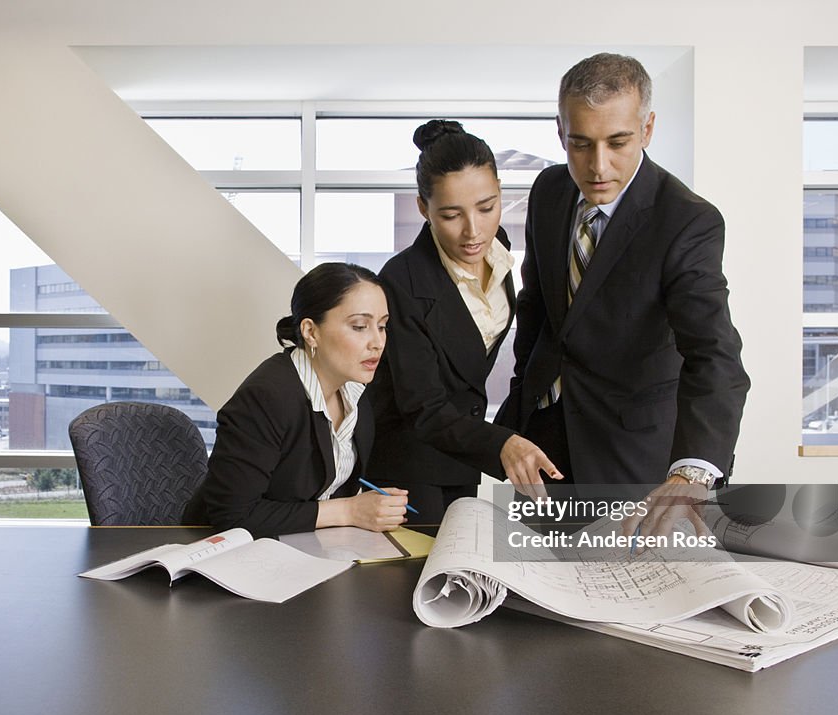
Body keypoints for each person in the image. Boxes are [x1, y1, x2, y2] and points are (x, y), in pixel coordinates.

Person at [495, 53, 750, 537]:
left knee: (621, 594)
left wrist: (691, 473)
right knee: (537, 589)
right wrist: (521, 396)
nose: (598, 167)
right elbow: (537, 306)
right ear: (560, 132)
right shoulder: (550, 190)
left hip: (632, 453)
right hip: (545, 439)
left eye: (618, 142)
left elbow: (714, 354)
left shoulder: (686, 221)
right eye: (580, 144)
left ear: (647, 128)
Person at [368, 120, 560, 528]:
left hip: (460, 458)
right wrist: (502, 442)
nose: (474, 232)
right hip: (407, 468)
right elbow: (423, 407)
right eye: (452, 215)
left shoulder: (500, 249)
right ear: (423, 208)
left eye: (487, 207)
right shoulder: (401, 282)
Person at [185, 262, 409, 538]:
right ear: (310, 331)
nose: (377, 342)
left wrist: (370, 507)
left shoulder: (356, 393)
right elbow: (232, 515)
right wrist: (349, 511)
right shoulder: (266, 397)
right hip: (219, 553)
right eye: (360, 326)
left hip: (299, 549)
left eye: (383, 326)